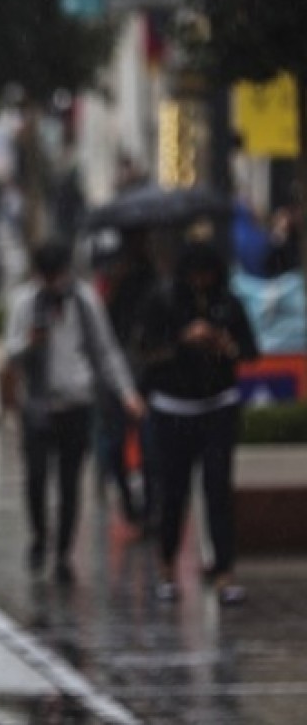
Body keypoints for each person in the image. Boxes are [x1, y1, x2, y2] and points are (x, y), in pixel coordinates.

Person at [4, 241, 144, 584]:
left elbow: (105, 350)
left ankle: (64, 553)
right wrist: (29, 342)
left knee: (70, 483)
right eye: (47, 276)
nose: (54, 283)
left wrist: (127, 393)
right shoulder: (25, 302)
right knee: (36, 478)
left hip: (76, 405)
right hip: (37, 405)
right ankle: (40, 536)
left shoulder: (85, 302)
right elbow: (9, 352)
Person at [139, 241, 259, 605]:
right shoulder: (163, 301)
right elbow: (145, 351)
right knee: (173, 492)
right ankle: (166, 568)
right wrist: (182, 341)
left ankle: (224, 572)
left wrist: (225, 344)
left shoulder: (229, 304)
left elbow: (250, 352)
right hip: (173, 409)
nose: (201, 282)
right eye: (195, 275)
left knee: (218, 489)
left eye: (207, 275)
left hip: (218, 406)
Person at [93, 229, 157, 529]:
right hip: (115, 378)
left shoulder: (154, 283)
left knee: (147, 445)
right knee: (116, 443)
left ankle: (148, 508)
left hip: (144, 375)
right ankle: (131, 504)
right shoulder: (109, 286)